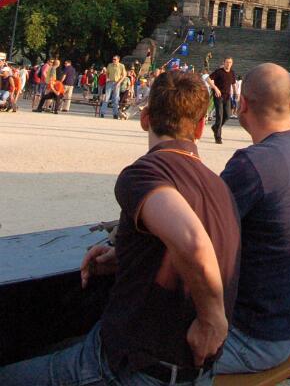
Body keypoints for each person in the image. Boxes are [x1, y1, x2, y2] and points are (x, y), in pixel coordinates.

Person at [0, 70, 240, 386]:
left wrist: (212, 320)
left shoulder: (144, 174)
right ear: (199, 128)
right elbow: (186, 242)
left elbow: (194, 242)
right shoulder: (219, 185)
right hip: (194, 371)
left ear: (145, 118)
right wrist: (125, 254)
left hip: (134, 368)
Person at [218, 63, 290, 374]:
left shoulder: (253, 163)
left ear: (242, 104)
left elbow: (196, 230)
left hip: (254, 338)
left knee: (125, 345)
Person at [209, 57, 236, 144]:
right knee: (219, 116)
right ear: (224, 63)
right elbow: (208, 79)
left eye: (230, 62)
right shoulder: (219, 71)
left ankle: (215, 127)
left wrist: (235, 93)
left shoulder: (232, 73)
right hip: (218, 96)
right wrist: (215, 88)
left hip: (227, 97)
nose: (228, 64)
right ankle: (218, 137)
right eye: (227, 62)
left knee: (227, 115)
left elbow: (233, 84)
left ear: (232, 63)